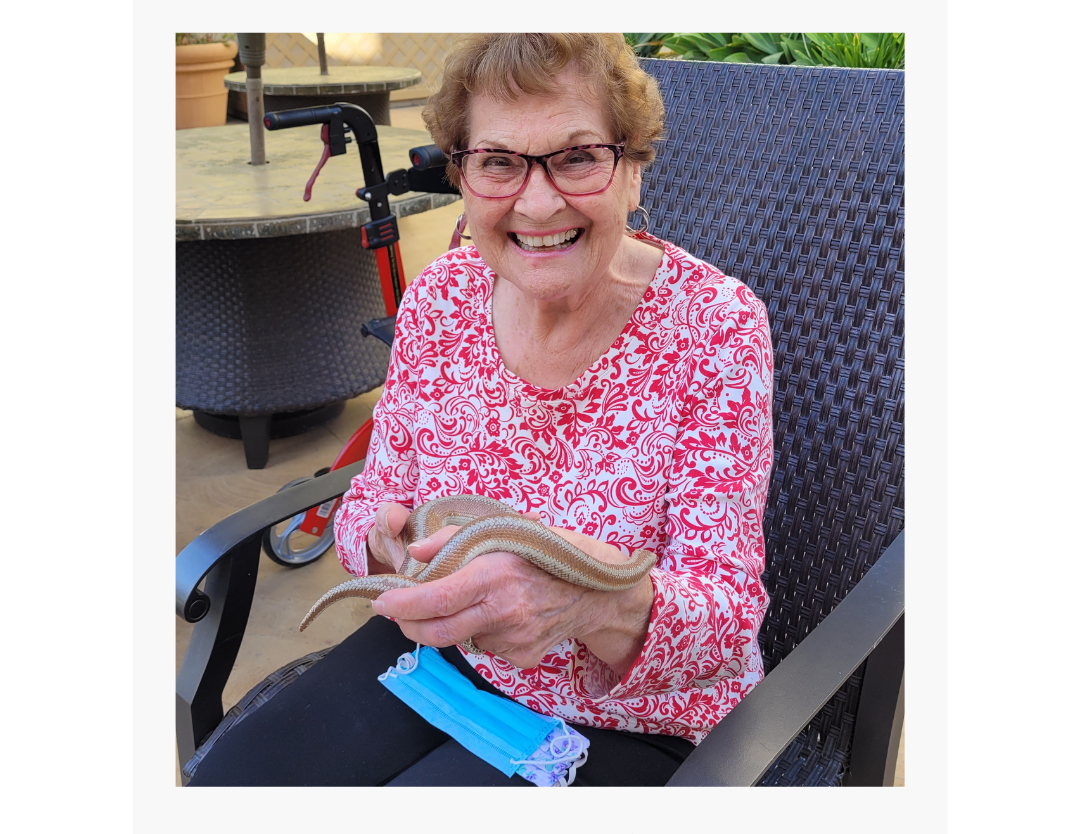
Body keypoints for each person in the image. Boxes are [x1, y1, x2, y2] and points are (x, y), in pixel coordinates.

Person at [188, 33, 773, 787]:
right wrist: (389, 551)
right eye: (499, 161)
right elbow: (375, 496)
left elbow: (726, 622)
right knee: (232, 794)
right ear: (463, 177)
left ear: (633, 170)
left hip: (635, 716)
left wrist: (587, 607)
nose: (536, 201)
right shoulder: (441, 299)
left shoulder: (715, 328)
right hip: (441, 660)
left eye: (577, 156)